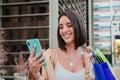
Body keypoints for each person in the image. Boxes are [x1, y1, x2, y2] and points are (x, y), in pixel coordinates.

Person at [27, 10, 95, 80]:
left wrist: (88, 66)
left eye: (69, 25)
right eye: (61, 27)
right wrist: (35, 74)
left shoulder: (88, 57)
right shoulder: (50, 56)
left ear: (78, 27)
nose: (64, 30)